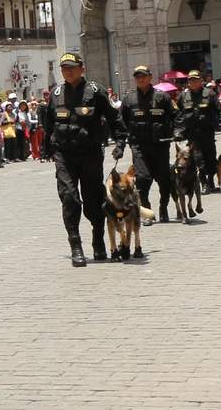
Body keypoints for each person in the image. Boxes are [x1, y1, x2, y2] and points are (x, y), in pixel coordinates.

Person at [47, 51, 125, 267]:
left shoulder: (96, 91)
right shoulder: (55, 93)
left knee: (93, 202)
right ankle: (75, 246)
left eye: (72, 67)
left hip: (90, 154)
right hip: (64, 155)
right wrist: (48, 150)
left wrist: (120, 144)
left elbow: (114, 119)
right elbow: (48, 125)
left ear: (82, 68)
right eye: (64, 68)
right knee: (69, 198)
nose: (68, 71)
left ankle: (98, 240)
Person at [121, 64, 177, 223]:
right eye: (137, 76)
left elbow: (175, 116)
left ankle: (163, 207)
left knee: (164, 180)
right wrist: (122, 140)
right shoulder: (129, 99)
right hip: (139, 146)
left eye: (143, 76)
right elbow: (121, 121)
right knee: (142, 179)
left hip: (160, 145)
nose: (140, 79)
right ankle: (147, 212)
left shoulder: (162, 97)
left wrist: (177, 132)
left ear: (150, 77)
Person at [176, 70, 220, 195]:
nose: (193, 82)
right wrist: (177, 130)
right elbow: (177, 114)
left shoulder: (209, 94)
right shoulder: (183, 96)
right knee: (198, 159)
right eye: (191, 80)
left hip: (207, 132)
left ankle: (211, 180)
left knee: (210, 158)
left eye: (196, 80)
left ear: (201, 80)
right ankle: (204, 183)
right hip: (192, 134)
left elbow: (219, 109)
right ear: (188, 82)